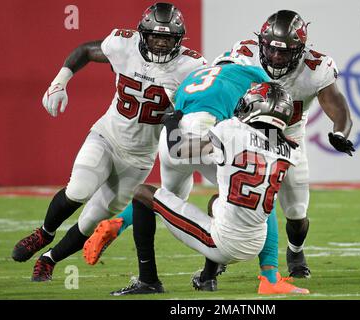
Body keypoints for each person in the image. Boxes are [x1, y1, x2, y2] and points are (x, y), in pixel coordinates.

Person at [11, 2, 206, 282]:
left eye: (168, 38)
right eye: (155, 37)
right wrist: (59, 81)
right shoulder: (123, 44)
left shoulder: (191, 66)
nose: (161, 44)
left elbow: (205, 96)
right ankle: (44, 233)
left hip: (139, 159)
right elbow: (86, 51)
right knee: (78, 189)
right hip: (107, 136)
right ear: (143, 34)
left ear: (179, 39)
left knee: (91, 221)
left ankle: (48, 260)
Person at [85, 58, 303, 294]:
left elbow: (180, 149)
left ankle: (147, 278)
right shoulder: (289, 149)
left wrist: (170, 123)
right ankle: (253, 275)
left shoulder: (230, 129)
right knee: (228, 200)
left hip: (220, 238)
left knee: (145, 194)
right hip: (256, 241)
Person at [222, 10, 355, 278]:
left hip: (288, 138)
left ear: (300, 51)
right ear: (261, 43)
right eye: (271, 50)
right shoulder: (244, 55)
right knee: (231, 199)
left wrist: (340, 133)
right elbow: (216, 85)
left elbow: (339, 109)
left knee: (296, 212)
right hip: (244, 135)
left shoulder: (316, 68)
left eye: (284, 52)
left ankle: (295, 251)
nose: (276, 57)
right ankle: (215, 258)